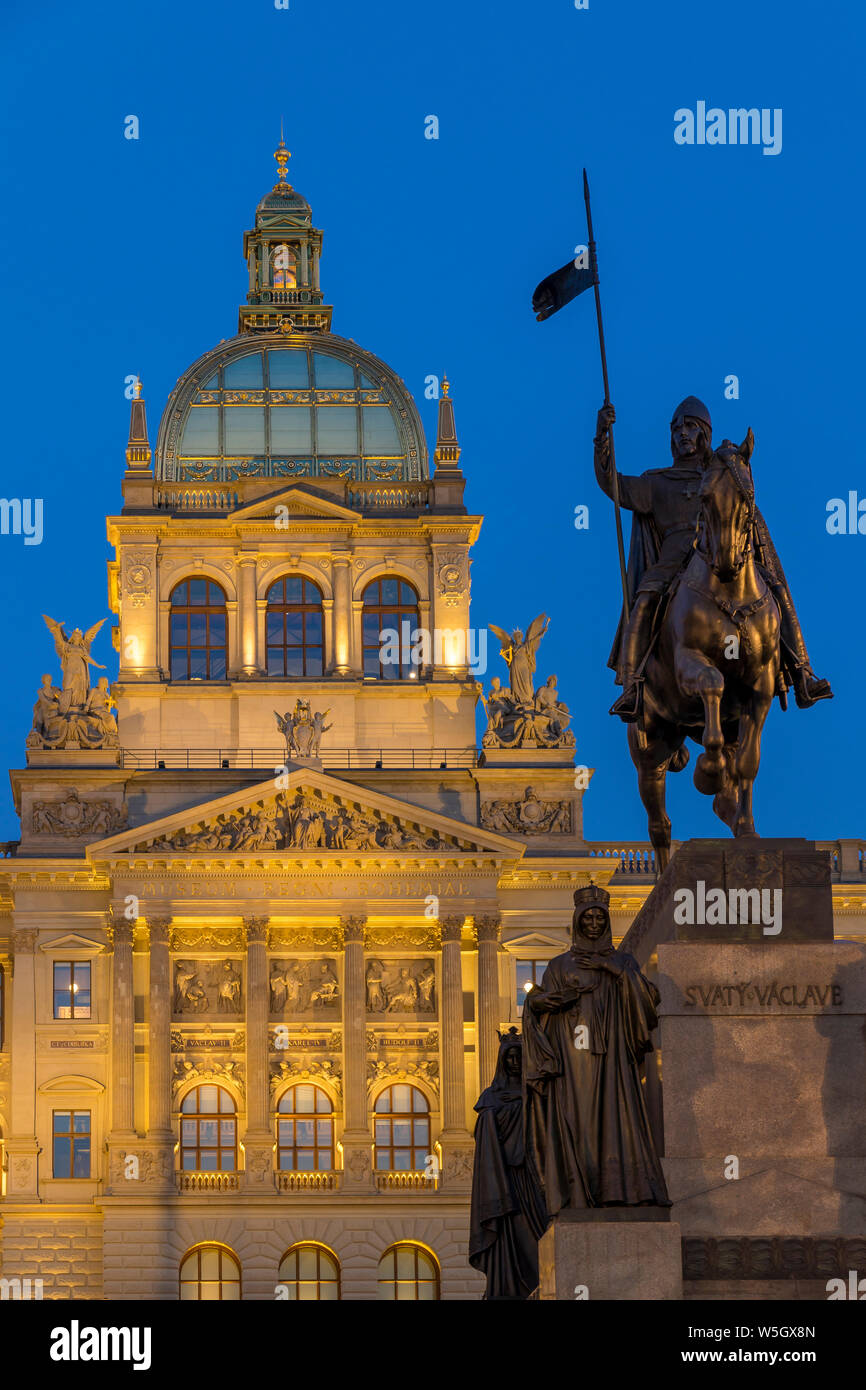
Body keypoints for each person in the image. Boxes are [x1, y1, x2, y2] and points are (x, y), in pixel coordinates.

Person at [595, 397, 831, 720]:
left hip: (723, 555)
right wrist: (602, 438)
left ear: (704, 434)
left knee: (774, 586)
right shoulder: (657, 482)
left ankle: (802, 671)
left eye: (690, 427)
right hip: (672, 563)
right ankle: (633, 687)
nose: (681, 434)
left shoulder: (724, 476)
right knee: (645, 599)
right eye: (676, 428)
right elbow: (614, 484)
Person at [523, 884, 670, 1211]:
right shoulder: (559, 966)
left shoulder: (623, 961)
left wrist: (617, 972)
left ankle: (621, 1189)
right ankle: (579, 1191)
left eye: (598, 918)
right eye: (587, 918)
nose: (593, 924)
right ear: (577, 921)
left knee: (619, 1115)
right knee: (578, 1119)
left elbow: (649, 1001)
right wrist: (544, 1001)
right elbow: (539, 1009)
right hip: (574, 1056)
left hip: (614, 1053)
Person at [469, 1030, 547, 1300]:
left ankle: (540, 1286)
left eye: (519, 1057)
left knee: (536, 1234)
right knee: (508, 1233)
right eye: (510, 1057)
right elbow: (484, 1134)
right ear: (502, 1061)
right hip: (503, 1178)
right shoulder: (490, 1097)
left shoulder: (536, 1092)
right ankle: (507, 1289)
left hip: (532, 1175)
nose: (514, 1062)